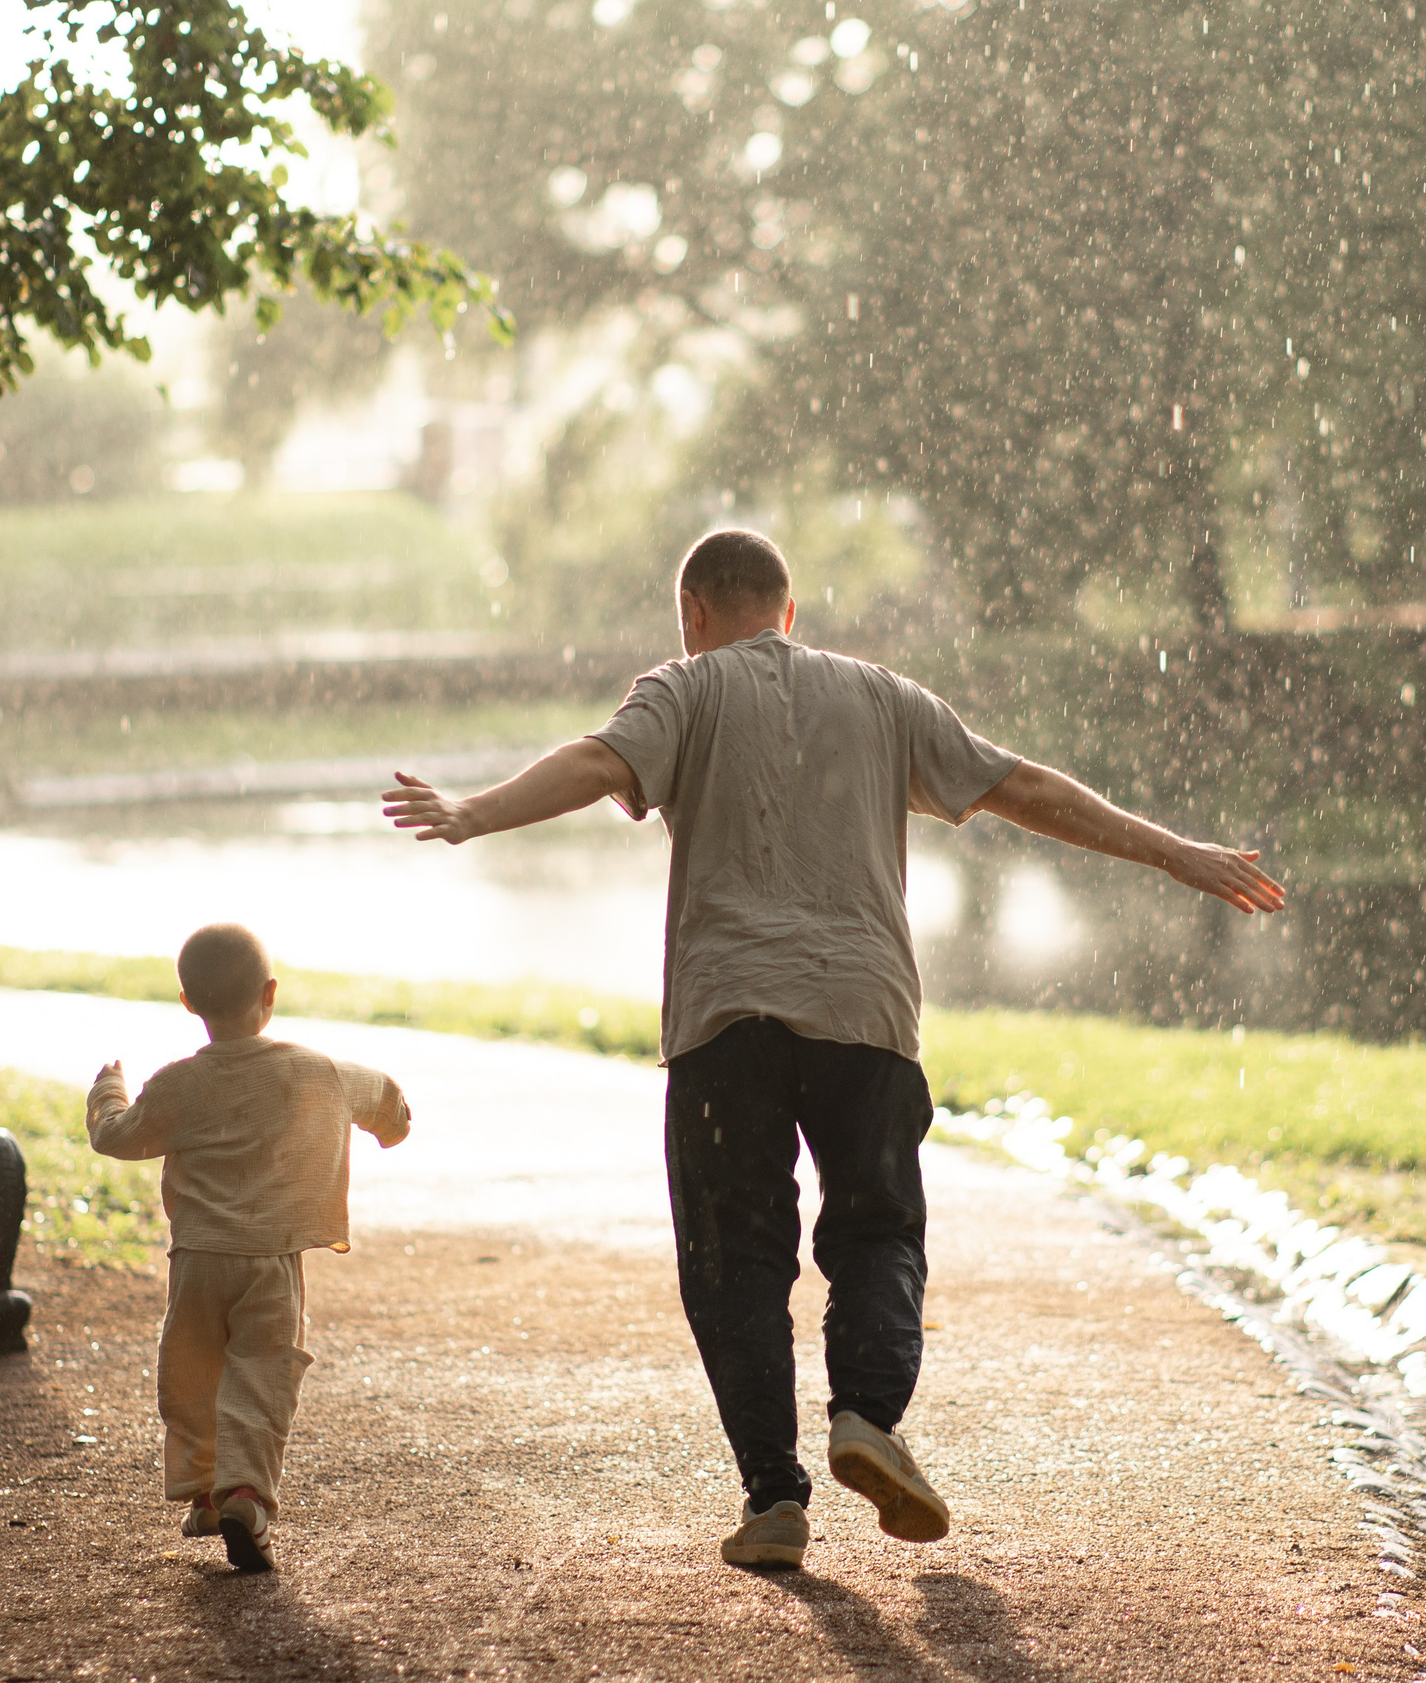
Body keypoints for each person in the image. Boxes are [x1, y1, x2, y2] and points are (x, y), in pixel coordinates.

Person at [382, 529, 1282, 1571]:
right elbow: (1019, 786)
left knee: (735, 1263)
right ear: (789, 611)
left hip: (728, 1024)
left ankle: (773, 1496)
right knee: (876, 1232)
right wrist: (1174, 853)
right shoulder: (884, 697)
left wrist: (470, 812)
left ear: (695, 616)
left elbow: (595, 761)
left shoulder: (684, 689)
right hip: (866, 1017)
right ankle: (865, 1414)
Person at [86, 921, 411, 1572]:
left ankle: (207, 1492)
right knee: (261, 1375)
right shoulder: (316, 1069)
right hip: (270, 1260)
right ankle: (244, 1497)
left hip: (199, 1258)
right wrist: (391, 1127)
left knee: (197, 1372)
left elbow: (117, 1136)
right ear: (270, 992)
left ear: (188, 1003)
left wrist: (107, 1091)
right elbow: (384, 1097)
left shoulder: (177, 1083)